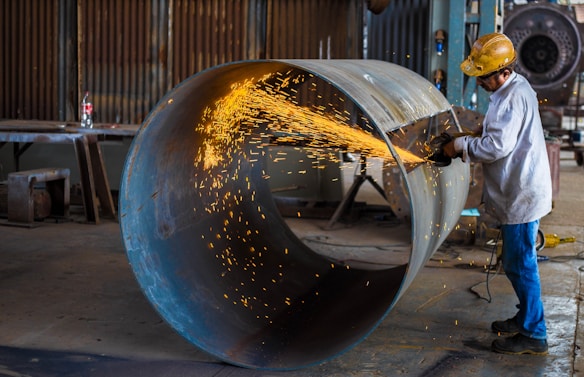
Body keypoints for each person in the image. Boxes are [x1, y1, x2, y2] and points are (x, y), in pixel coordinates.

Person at [443, 32, 552, 355]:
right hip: (520, 189)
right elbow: (500, 132)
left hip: (521, 194)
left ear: (503, 71)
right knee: (516, 261)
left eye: (483, 76)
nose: (479, 82)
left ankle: (535, 333)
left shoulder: (513, 96)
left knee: (521, 264)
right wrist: (479, 131)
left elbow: (497, 147)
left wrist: (458, 146)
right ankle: (526, 317)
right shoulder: (511, 89)